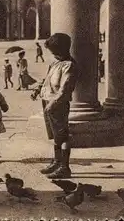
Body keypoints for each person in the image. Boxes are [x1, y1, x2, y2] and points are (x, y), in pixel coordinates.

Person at [38, 33, 78, 179]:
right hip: (48, 102)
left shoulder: (69, 65)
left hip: (57, 104)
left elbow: (65, 89)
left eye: (54, 51)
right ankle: (57, 161)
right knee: (55, 136)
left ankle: (64, 167)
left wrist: (52, 104)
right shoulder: (55, 63)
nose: (53, 54)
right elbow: (47, 80)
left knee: (63, 135)